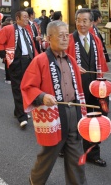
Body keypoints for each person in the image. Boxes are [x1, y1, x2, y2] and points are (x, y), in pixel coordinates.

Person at [21, 20, 88, 185]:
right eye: (61, 36)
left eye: (67, 35)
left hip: (74, 110)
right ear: (49, 38)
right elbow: (28, 86)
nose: (66, 39)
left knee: (76, 155)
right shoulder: (40, 60)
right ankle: (35, 181)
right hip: (55, 114)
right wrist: (42, 96)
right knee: (49, 154)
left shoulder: (71, 60)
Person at [67, 8, 109, 167]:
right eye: (78, 20)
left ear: (92, 23)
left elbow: (102, 64)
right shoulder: (69, 39)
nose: (81, 24)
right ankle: (66, 148)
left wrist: (102, 84)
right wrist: (73, 66)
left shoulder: (95, 39)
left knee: (95, 121)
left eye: (85, 21)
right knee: (73, 122)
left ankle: (93, 153)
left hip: (94, 87)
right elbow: (58, 60)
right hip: (74, 87)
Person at [0, 10, 38, 128]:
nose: (27, 19)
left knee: (27, 87)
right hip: (16, 62)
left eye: (28, 17)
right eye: (25, 17)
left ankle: (19, 110)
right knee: (18, 88)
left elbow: (32, 46)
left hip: (29, 61)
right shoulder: (8, 29)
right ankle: (21, 116)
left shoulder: (28, 31)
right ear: (17, 18)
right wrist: (5, 56)